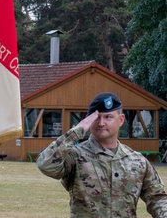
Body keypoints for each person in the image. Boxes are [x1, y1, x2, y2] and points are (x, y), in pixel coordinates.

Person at [37, 92, 167, 217]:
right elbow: (45, 164)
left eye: (108, 117)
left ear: (121, 120)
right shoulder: (75, 156)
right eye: (96, 118)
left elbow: (157, 198)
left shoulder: (137, 161)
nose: (101, 123)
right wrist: (76, 131)